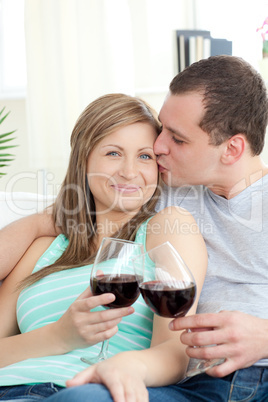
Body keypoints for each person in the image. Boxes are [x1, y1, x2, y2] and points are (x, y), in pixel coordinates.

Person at [2, 55, 268, 401]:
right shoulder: (166, 183)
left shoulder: (169, 219)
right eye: (162, 130)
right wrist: (47, 218)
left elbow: (169, 347)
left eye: (177, 138)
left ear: (232, 149)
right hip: (193, 382)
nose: (158, 149)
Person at [0, 93, 207, 401]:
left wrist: (122, 368)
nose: (128, 171)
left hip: (84, 392)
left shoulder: (165, 229)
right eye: (113, 153)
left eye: (144, 156)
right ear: (84, 160)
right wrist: (58, 336)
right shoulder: (42, 248)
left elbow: (175, 352)